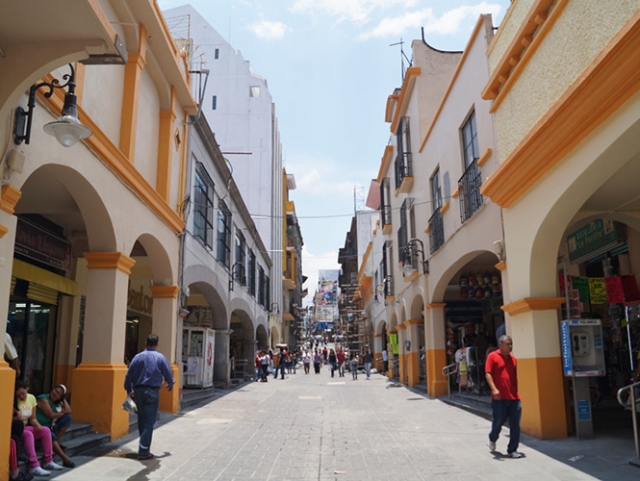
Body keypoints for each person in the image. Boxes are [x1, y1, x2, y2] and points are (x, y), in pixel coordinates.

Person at [124, 334, 175, 461]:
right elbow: (168, 373)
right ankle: (144, 450)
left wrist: (129, 390)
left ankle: (143, 446)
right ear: (157, 344)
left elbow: (128, 375)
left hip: (138, 391)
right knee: (149, 421)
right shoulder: (160, 357)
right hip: (152, 391)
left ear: (146, 343)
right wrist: (170, 383)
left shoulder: (137, 357)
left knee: (142, 419)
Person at [485, 335, 523, 458]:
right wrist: (494, 389)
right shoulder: (492, 356)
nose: (510, 346)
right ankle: (492, 437)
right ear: (500, 344)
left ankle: (512, 449)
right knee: (498, 422)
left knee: (515, 424)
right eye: (508, 344)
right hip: (499, 398)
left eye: (511, 344)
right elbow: (488, 373)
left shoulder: (513, 359)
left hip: (514, 397)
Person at [14, 381, 63, 476]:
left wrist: (37, 424)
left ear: (27, 389)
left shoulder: (31, 398)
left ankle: (48, 461)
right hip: (18, 430)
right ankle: (34, 465)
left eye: (23, 393)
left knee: (45, 430)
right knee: (28, 434)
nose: (21, 397)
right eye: (18, 395)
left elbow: (32, 418)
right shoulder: (14, 401)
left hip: (27, 426)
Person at [36, 384, 75, 468]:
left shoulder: (56, 403)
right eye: (55, 390)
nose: (55, 393)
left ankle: (56, 441)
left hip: (49, 427)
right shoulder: (43, 398)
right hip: (39, 426)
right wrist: (62, 412)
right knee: (51, 434)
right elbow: (51, 415)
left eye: (58, 394)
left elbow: (69, 411)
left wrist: (63, 399)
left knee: (68, 418)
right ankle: (65, 459)